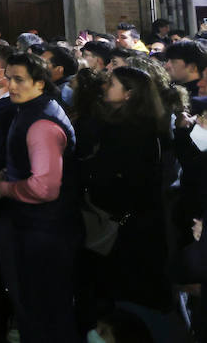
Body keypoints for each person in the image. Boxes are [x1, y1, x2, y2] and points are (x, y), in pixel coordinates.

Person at [0, 52, 79, 343]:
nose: (11, 85)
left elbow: (45, 187)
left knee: (42, 310)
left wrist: (4, 188)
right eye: (9, 78)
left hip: (44, 231)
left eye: (19, 79)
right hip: (38, 228)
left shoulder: (41, 123)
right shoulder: (32, 111)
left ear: (40, 83)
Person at [80, 66, 177, 330]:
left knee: (125, 297)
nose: (105, 86)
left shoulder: (128, 130)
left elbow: (105, 172)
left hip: (127, 226)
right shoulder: (142, 124)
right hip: (139, 221)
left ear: (129, 94)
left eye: (112, 83)